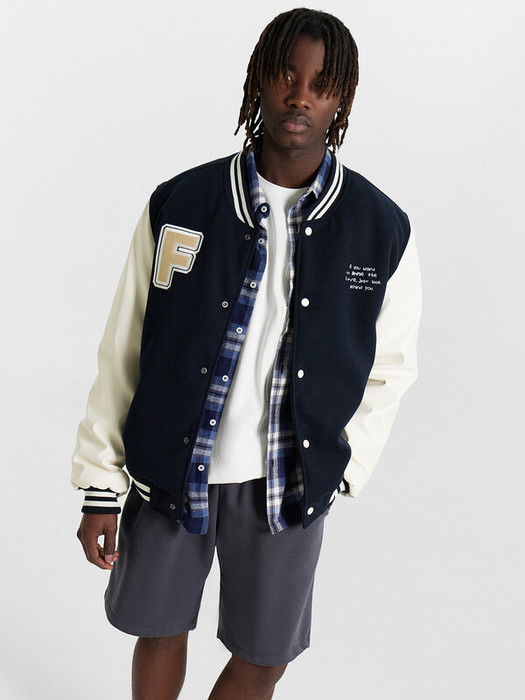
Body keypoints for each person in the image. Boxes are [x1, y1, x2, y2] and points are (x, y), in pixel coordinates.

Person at [73, 8, 421, 699]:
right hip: (169, 469)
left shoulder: (379, 227)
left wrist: (341, 467)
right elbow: (125, 347)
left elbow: (391, 366)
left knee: (264, 657)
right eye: (286, 75)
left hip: (287, 485)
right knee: (159, 629)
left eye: (321, 84)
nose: (300, 96)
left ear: (343, 98)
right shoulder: (182, 203)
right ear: (258, 80)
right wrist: (99, 486)